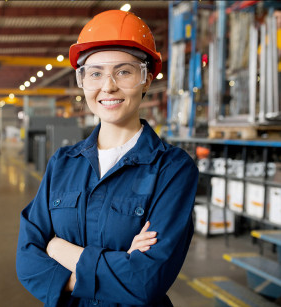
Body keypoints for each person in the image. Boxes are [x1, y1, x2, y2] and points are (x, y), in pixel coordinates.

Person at [16, 10, 199, 307]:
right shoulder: (62, 163)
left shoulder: (173, 169)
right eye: (96, 73)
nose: (108, 86)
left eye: (124, 71)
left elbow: (145, 282)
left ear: (147, 78)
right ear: (83, 80)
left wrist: (58, 248)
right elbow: (27, 262)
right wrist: (122, 261)